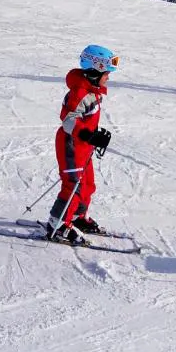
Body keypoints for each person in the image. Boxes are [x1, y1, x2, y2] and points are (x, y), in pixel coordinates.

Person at [51, 44, 118, 239]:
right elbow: (68, 121)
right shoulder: (80, 93)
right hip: (70, 145)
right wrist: (88, 135)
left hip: (83, 146)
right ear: (96, 70)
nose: (108, 77)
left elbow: (85, 119)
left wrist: (94, 135)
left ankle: (76, 216)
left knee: (87, 184)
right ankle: (57, 224)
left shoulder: (92, 90)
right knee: (73, 186)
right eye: (107, 73)